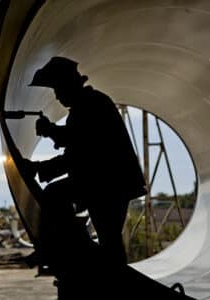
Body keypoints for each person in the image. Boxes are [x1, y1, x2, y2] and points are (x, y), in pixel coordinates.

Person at [23, 56, 147, 271]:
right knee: (109, 238)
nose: (57, 96)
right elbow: (77, 153)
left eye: (57, 90)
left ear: (68, 86)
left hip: (108, 184)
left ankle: (78, 252)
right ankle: (89, 257)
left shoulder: (92, 105)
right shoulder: (88, 106)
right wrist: (40, 165)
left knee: (57, 196)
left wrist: (49, 134)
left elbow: (79, 144)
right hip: (107, 183)